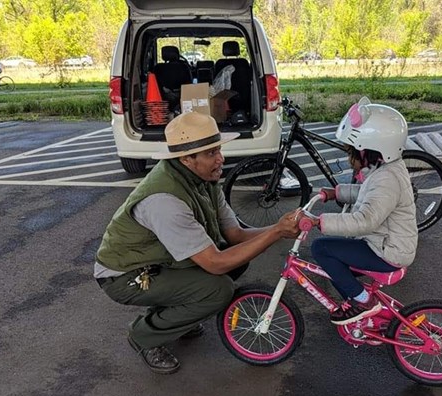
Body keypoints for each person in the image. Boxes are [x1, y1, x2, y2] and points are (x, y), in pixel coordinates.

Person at [94, 111, 300, 374]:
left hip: (161, 261)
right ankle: (144, 336)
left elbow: (235, 235)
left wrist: (280, 228)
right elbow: (214, 264)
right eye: (211, 153)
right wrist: (276, 233)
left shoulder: (203, 179)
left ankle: (179, 311)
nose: (221, 159)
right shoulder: (164, 200)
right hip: (125, 275)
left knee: (235, 260)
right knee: (217, 289)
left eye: (218, 150)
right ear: (186, 158)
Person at [301, 97, 418, 325]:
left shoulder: (386, 178)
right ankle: (365, 313)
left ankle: (365, 303)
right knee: (337, 271)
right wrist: (339, 192)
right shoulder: (386, 168)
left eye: (354, 151)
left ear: (372, 150)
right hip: (385, 244)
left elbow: (365, 220)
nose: (350, 157)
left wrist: (318, 222)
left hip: (388, 252)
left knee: (322, 249)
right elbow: (369, 195)